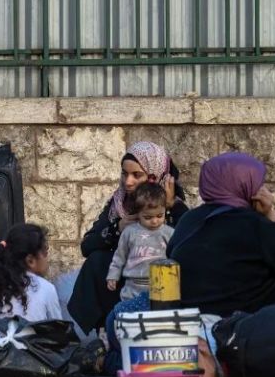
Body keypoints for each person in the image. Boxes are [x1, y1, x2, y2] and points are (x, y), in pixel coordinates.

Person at [167, 152, 275, 317]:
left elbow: (170, 252)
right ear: (243, 184)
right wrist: (271, 214)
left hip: (190, 311)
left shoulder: (189, 218)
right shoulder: (250, 222)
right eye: (258, 183)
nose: (260, 189)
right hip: (235, 314)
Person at [67, 141, 188, 333]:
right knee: (98, 261)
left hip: (160, 286)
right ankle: (107, 331)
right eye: (124, 173)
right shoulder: (119, 205)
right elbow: (87, 245)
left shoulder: (172, 206)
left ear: (154, 176)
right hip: (121, 284)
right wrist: (118, 227)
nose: (128, 182)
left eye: (136, 175)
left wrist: (171, 205)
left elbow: (187, 244)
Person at [105, 183, 174, 302]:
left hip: (162, 287)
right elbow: (120, 256)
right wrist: (113, 275)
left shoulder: (169, 233)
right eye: (148, 217)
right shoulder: (130, 232)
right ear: (138, 214)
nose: (154, 221)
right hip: (133, 288)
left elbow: (177, 257)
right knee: (127, 317)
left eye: (159, 216)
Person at [0, 223, 63, 322]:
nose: (47, 258)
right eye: (45, 252)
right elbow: (59, 330)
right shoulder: (46, 289)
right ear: (30, 260)